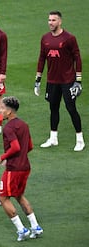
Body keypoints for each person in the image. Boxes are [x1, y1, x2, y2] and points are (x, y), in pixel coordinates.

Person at [0, 96, 43, 241]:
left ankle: (21, 229)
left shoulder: (9, 127)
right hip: (25, 167)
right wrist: (17, 157)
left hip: (13, 169)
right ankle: (35, 226)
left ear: (9, 112)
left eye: (2, 108)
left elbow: (15, 147)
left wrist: (2, 157)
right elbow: (30, 146)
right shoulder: (24, 124)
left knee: (3, 198)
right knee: (19, 195)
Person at [34, 10, 84, 151]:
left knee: (71, 108)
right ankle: (53, 138)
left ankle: (80, 139)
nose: (51, 23)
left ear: (60, 21)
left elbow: (77, 59)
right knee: (53, 108)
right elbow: (42, 58)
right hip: (52, 80)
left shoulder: (69, 38)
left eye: (53, 20)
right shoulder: (45, 38)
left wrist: (78, 81)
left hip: (68, 80)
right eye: (49, 20)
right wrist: (38, 79)